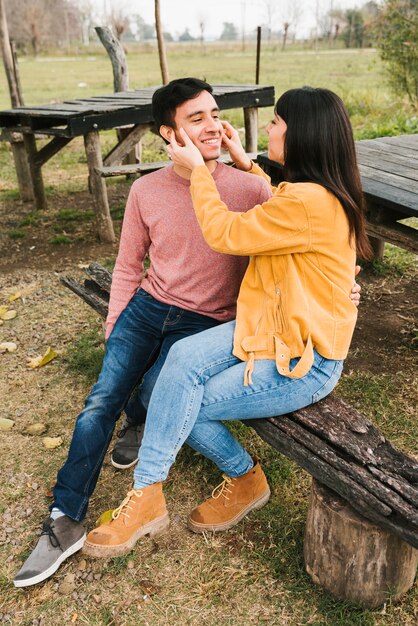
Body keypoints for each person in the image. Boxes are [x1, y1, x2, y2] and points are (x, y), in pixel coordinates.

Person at [14, 81, 361, 588]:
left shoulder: (290, 198)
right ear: (168, 133)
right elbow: (133, 262)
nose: (256, 127)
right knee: (147, 383)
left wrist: (208, 173)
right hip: (241, 324)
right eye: (197, 118)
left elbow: (235, 231)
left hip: (294, 348)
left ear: (304, 134)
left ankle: (228, 479)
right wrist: (244, 165)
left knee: (175, 400)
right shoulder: (290, 192)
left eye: (277, 122)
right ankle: (105, 504)